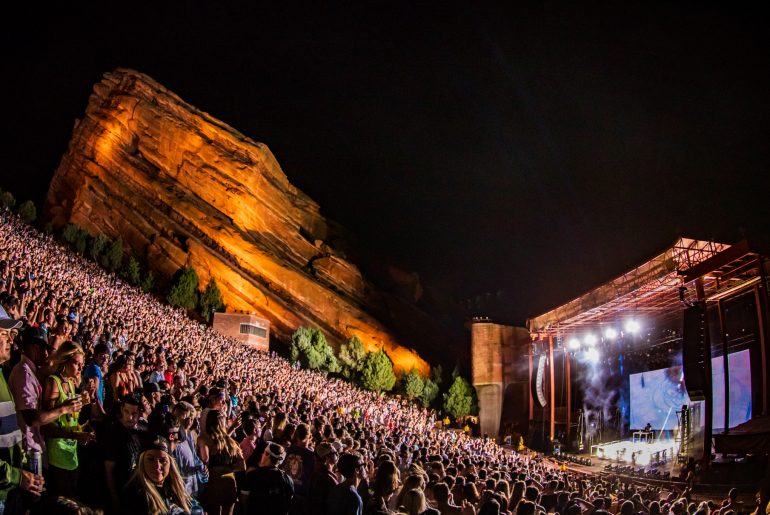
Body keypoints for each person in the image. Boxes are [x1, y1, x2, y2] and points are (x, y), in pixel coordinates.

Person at [9, 326, 82, 464]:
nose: (47, 354)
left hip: (34, 446)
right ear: (36, 348)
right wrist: (64, 408)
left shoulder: (31, 371)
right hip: (28, 449)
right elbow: (32, 418)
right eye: (45, 350)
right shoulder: (23, 374)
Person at [0, 307, 44, 512]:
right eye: (3, 333)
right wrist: (18, 477)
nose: (11, 340)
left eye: (11, 335)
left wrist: (23, 465)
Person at [41, 341, 95, 498]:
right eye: (77, 364)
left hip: (71, 451)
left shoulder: (71, 384)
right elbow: (46, 426)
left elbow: (70, 420)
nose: (80, 368)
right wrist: (74, 435)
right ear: (65, 361)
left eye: (81, 364)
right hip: (57, 454)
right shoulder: (54, 383)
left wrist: (83, 430)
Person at [120, 436, 194, 514]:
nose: (157, 466)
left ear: (170, 464)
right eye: (151, 459)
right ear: (142, 462)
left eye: (162, 460)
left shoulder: (174, 489)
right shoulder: (135, 496)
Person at [197, 409, 244, 515]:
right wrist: (228, 469)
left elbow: (205, 461)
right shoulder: (232, 442)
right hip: (230, 483)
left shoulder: (203, 440)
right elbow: (242, 466)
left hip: (213, 483)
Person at [103, 394, 143, 513]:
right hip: (122, 490)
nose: (130, 417)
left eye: (134, 413)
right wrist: (114, 496)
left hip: (138, 490)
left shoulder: (141, 430)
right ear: (121, 409)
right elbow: (108, 467)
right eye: (126, 411)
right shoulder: (114, 432)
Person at [241, 442, 294, 515]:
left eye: (264, 453)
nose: (262, 455)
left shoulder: (252, 475)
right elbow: (289, 501)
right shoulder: (287, 479)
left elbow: (244, 500)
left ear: (268, 455)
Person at [309, 442, 338, 515]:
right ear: (327, 458)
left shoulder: (315, 473)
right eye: (335, 452)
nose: (337, 454)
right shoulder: (329, 479)